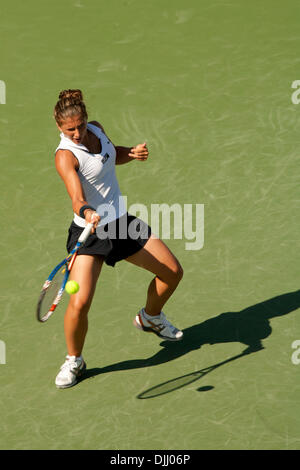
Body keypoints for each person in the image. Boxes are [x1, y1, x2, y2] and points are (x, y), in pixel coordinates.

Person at [53, 89, 184, 388]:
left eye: (80, 126)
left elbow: (110, 156)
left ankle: (150, 317)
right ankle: (74, 360)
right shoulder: (65, 156)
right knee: (80, 302)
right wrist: (86, 211)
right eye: (68, 129)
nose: (76, 133)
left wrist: (131, 154)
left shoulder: (97, 129)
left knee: (173, 272)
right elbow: (76, 196)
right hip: (91, 232)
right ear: (59, 128)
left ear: (87, 120)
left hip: (121, 224)